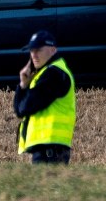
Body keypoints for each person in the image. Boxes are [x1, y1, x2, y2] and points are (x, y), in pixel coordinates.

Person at [14, 30, 76, 164]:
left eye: (38, 50)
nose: (34, 55)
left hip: (51, 151)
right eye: (31, 51)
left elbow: (23, 108)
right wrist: (23, 85)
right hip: (48, 150)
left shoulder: (54, 74)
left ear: (53, 50)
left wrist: (23, 87)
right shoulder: (46, 74)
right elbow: (20, 110)